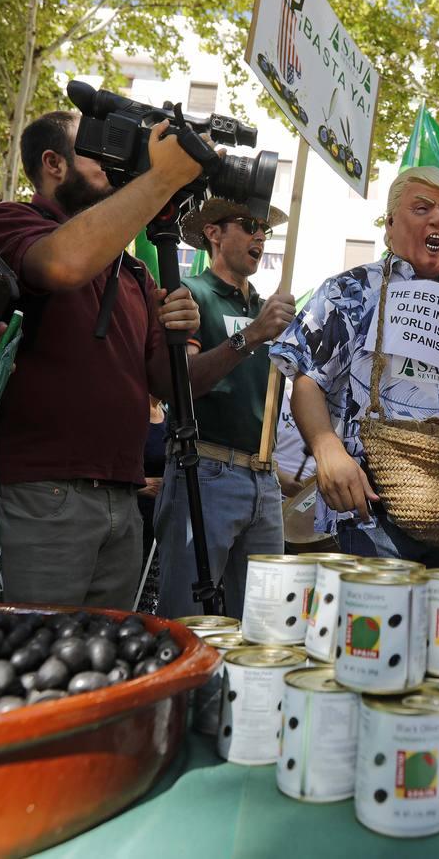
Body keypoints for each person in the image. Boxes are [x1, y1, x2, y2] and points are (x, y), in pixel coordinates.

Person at [0, 111, 203, 609]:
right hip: (41, 491)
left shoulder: (133, 270)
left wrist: (182, 337)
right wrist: (160, 178)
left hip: (122, 496)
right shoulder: (9, 221)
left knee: (102, 660)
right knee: (34, 661)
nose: (115, 162)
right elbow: (62, 263)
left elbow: (162, 384)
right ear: (53, 164)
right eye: (98, 150)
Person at [270, 165, 439, 565]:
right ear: (391, 224)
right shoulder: (350, 290)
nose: (436, 219)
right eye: (422, 208)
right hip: (369, 509)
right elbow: (308, 378)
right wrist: (328, 450)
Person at [152, 198, 296, 619]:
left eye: (264, 229)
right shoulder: (191, 294)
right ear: (213, 233)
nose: (260, 236)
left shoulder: (268, 308)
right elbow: (183, 385)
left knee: (263, 624)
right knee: (187, 620)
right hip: (206, 472)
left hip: (264, 483)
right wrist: (252, 335)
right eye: (249, 224)